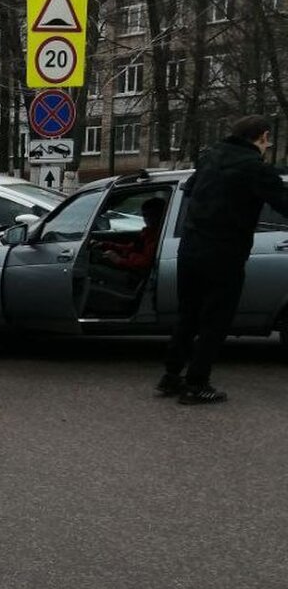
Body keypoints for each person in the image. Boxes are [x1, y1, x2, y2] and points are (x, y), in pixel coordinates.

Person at [158, 115, 288, 404]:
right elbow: (283, 204)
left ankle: (171, 376)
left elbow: (189, 190)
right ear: (263, 137)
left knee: (187, 315)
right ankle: (197, 384)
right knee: (215, 321)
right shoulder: (256, 169)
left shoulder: (210, 158)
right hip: (225, 253)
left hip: (190, 249)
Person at [96, 197, 167, 272]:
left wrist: (118, 259)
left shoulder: (159, 237)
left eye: (153, 215)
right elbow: (131, 247)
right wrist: (105, 245)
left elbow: (144, 265)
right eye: (145, 215)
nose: (148, 219)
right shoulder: (148, 233)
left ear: (162, 215)